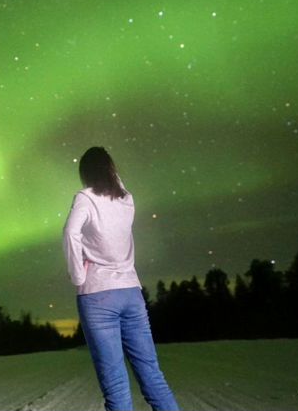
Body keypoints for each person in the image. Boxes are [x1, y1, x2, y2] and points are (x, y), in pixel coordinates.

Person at [63, 146, 180, 411]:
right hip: (131, 292)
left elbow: (71, 232)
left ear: (85, 174)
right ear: (110, 170)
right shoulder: (127, 200)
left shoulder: (85, 198)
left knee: (115, 383)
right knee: (152, 374)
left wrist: (78, 274)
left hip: (98, 294)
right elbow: (115, 190)